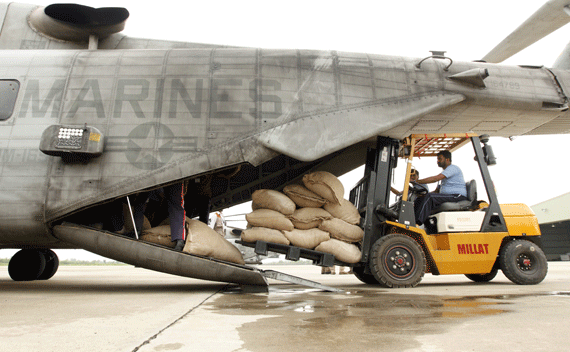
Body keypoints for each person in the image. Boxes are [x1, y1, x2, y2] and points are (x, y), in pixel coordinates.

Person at [413, 150, 468, 225]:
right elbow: (436, 192)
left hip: (457, 196)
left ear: (447, 159)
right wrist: (422, 195)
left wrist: (417, 182)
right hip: (450, 196)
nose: (438, 161)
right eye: (437, 159)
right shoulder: (445, 173)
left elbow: (435, 178)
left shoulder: (452, 168)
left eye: (440, 159)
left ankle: (417, 223)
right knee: (421, 199)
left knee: (430, 197)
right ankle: (413, 220)